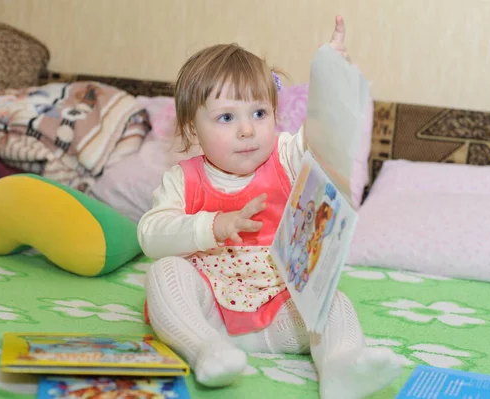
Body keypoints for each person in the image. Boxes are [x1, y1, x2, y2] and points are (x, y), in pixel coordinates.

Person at [138, 16, 402, 399]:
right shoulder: (182, 179)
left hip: (278, 315)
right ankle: (206, 353)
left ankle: (342, 366)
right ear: (193, 130)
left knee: (333, 300)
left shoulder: (285, 156)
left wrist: (332, 77)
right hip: (209, 315)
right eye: (227, 117)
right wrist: (211, 225)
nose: (247, 130)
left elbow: (321, 138)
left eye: (259, 114)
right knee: (163, 272)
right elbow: (150, 235)